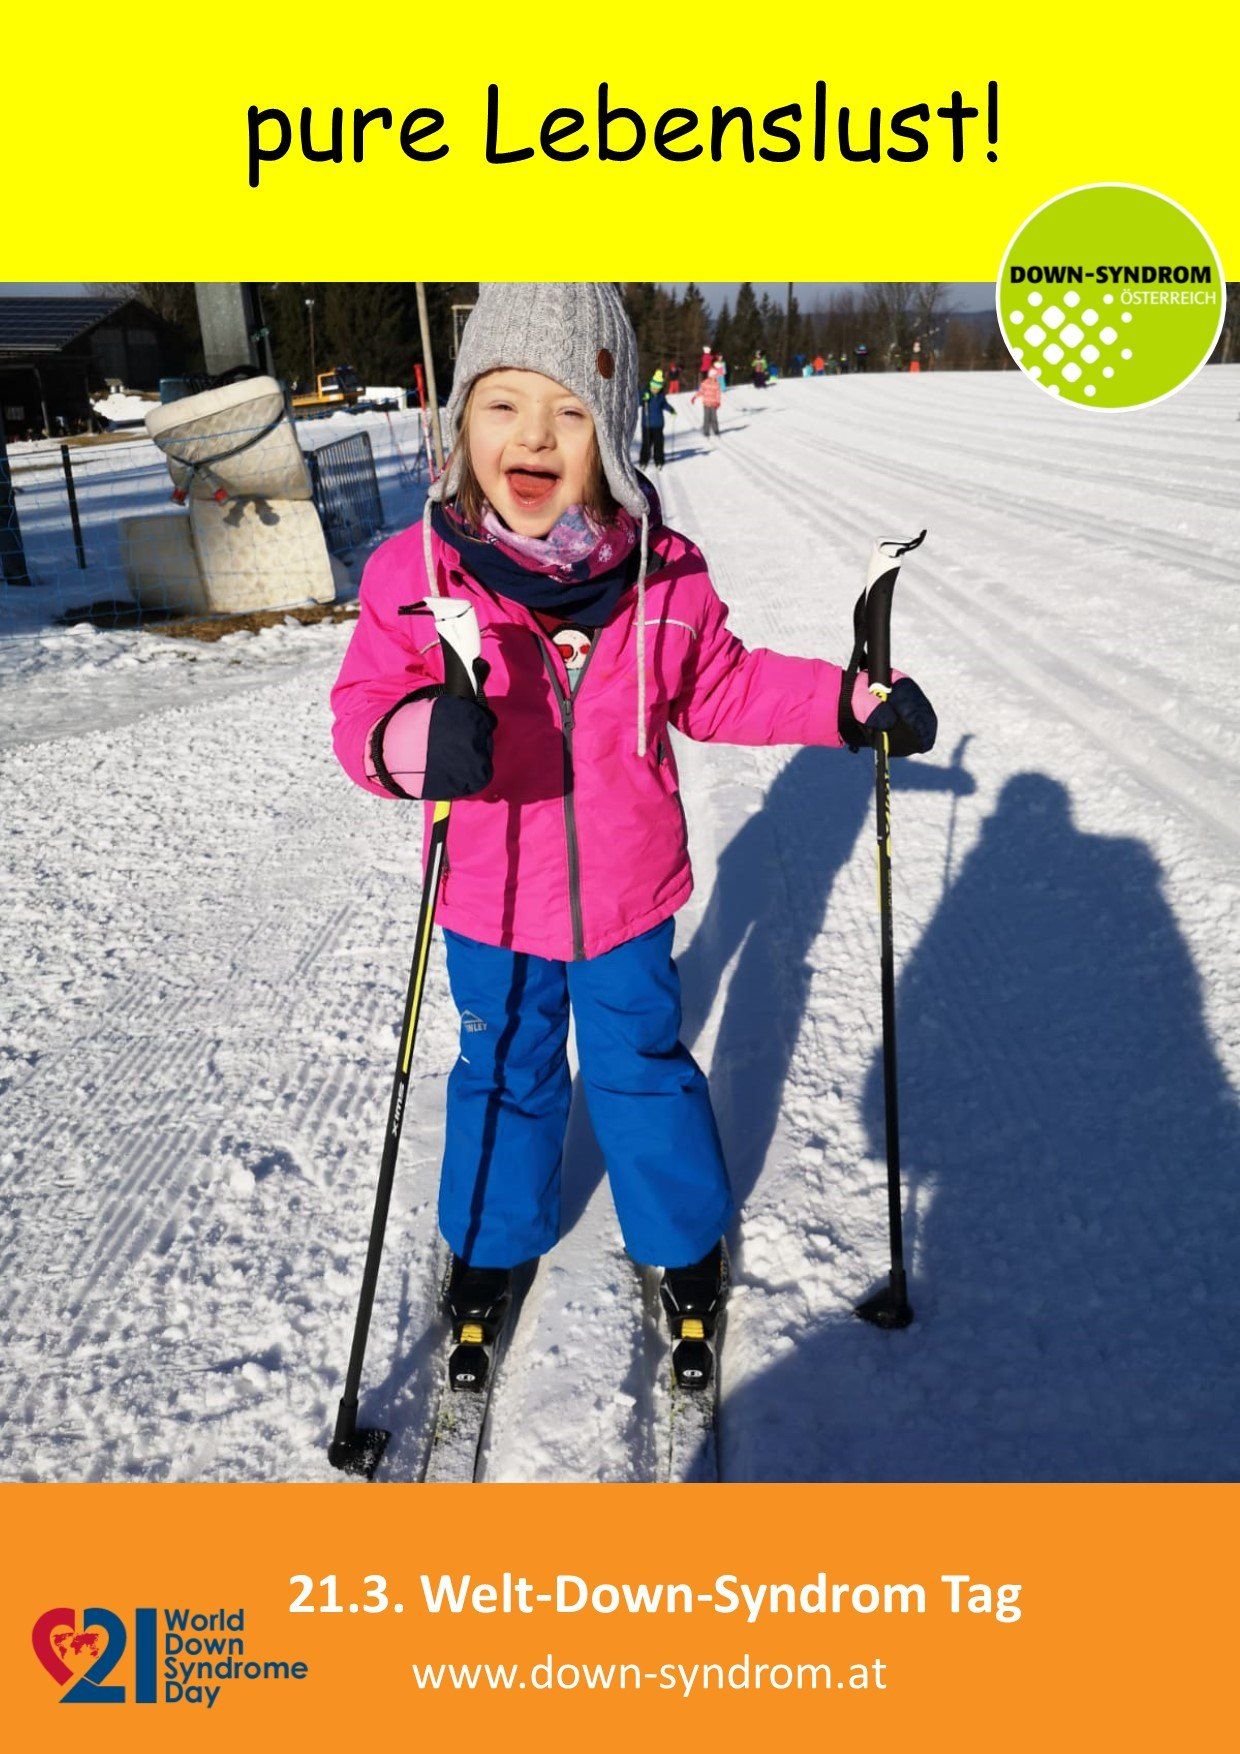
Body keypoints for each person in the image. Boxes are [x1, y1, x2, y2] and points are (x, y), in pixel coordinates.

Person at [330, 283, 937, 1349]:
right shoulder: (416, 577)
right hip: (488, 896)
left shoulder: (663, 574)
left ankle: (679, 1231)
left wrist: (847, 706)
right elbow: (362, 716)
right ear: (461, 421)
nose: (532, 435)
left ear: (608, 435)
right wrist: (420, 738)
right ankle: (487, 1233)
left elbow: (723, 686)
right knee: (502, 1063)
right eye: (502, 404)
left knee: (637, 1061)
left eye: (568, 410)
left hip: (623, 897)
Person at [638, 367, 675, 469]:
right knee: (646, 444)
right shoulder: (645, 393)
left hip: (658, 424)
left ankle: (659, 461)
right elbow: (637, 402)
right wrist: (643, 399)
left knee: (658, 444)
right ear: (651, 384)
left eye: (657, 388)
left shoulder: (661, 396)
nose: (655, 389)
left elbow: (664, 404)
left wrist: (671, 410)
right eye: (654, 387)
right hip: (647, 425)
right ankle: (643, 461)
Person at [692, 366, 722, 438]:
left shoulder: (717, 384)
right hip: (706, 403)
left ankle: (716, 431)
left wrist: (718, 402)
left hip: (714, 403)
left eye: (716, 376)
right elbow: (701, 391)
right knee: (707, 418)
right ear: (711, 376)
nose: (716, 377)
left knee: (714, 418)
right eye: (715, 376)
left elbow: (718, 394)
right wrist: (695, 397)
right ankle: (706, 431)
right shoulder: (705, 383)